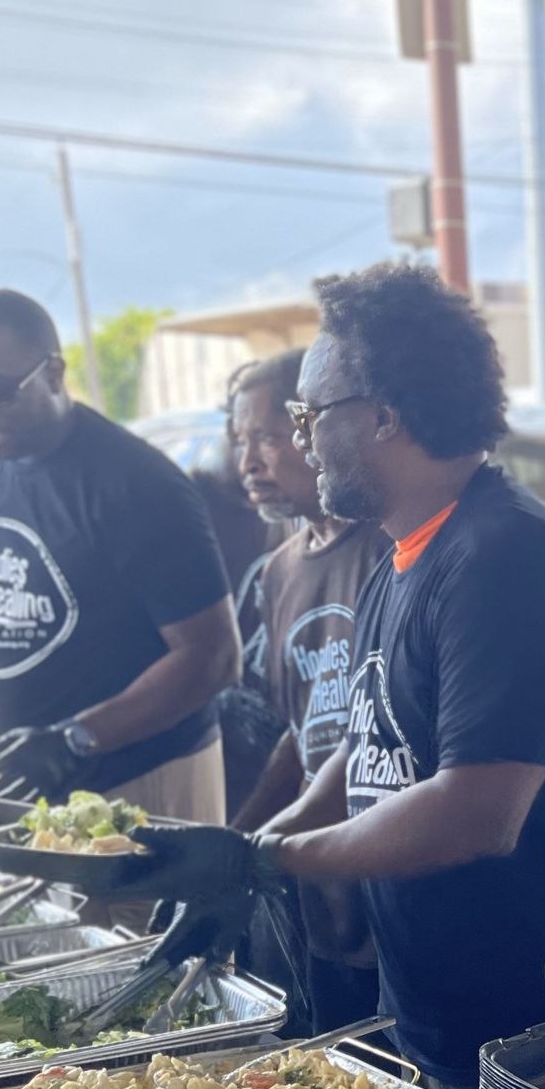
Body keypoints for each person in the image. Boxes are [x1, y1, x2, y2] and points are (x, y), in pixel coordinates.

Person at [151, 263, 545, 1086]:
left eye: (310, 414)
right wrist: (254, 847)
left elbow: (474, 811)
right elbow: (368, 748)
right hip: (443, 1016)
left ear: (384, 416)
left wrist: (283, 863)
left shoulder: (505, 556)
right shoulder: (403, 553)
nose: (302, 438)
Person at [0, 288, 238, 815]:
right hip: (29, 793)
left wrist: (74, 738)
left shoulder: (137, 485)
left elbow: (211, 656)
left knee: (145, 905)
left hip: (144, 782)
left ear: (54, 373)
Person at [226, 348, 382, 1029]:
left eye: (265, 435)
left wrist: (273, 841)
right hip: (322, 897)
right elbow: (301, 725)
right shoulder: (276, 573)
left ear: (308, 428)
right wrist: (239, 839)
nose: (250, 461)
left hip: (388, 878)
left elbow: (382, 731)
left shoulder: (385, 548)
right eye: (240, 442)